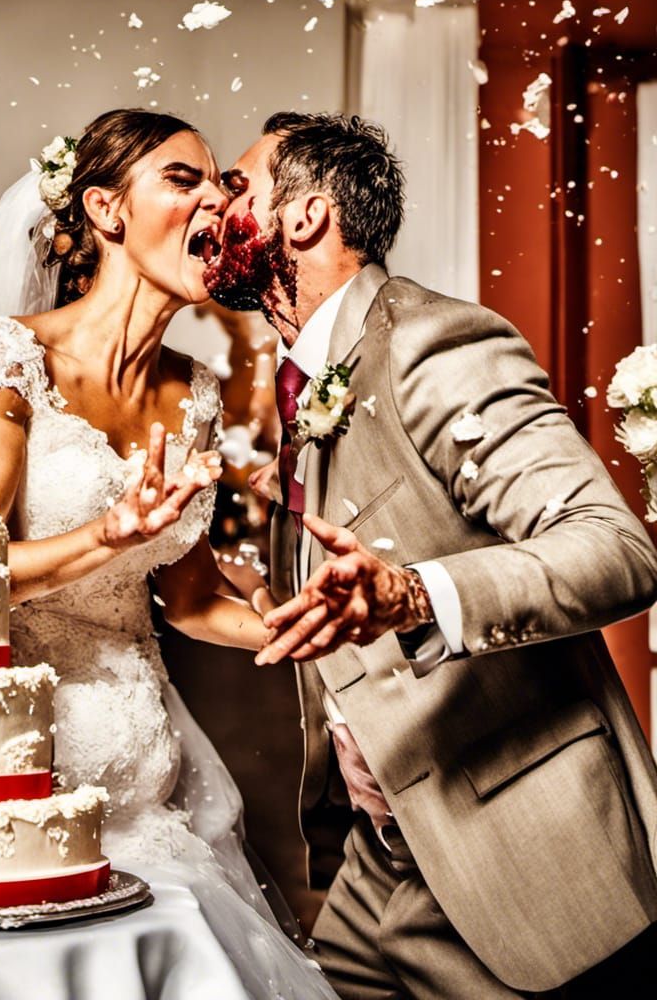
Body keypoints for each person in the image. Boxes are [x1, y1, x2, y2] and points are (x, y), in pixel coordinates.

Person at [203, 110, 657, 998]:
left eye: (238, 186)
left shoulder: (430, 342)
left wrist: (414, 595)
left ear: (303, 218)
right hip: (381, 864)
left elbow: (616, 549)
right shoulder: (305, 384)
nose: (218, 209)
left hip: (521, 855)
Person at [0, 108, 337, 999]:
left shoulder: (195, 390)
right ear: (107, 212)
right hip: (14, 772)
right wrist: (103, 536)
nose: (215, 204)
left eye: (221, 185)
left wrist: (310, 617)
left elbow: (189, 602)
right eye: (182, 179)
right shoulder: (6, 356)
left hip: (146, 771)